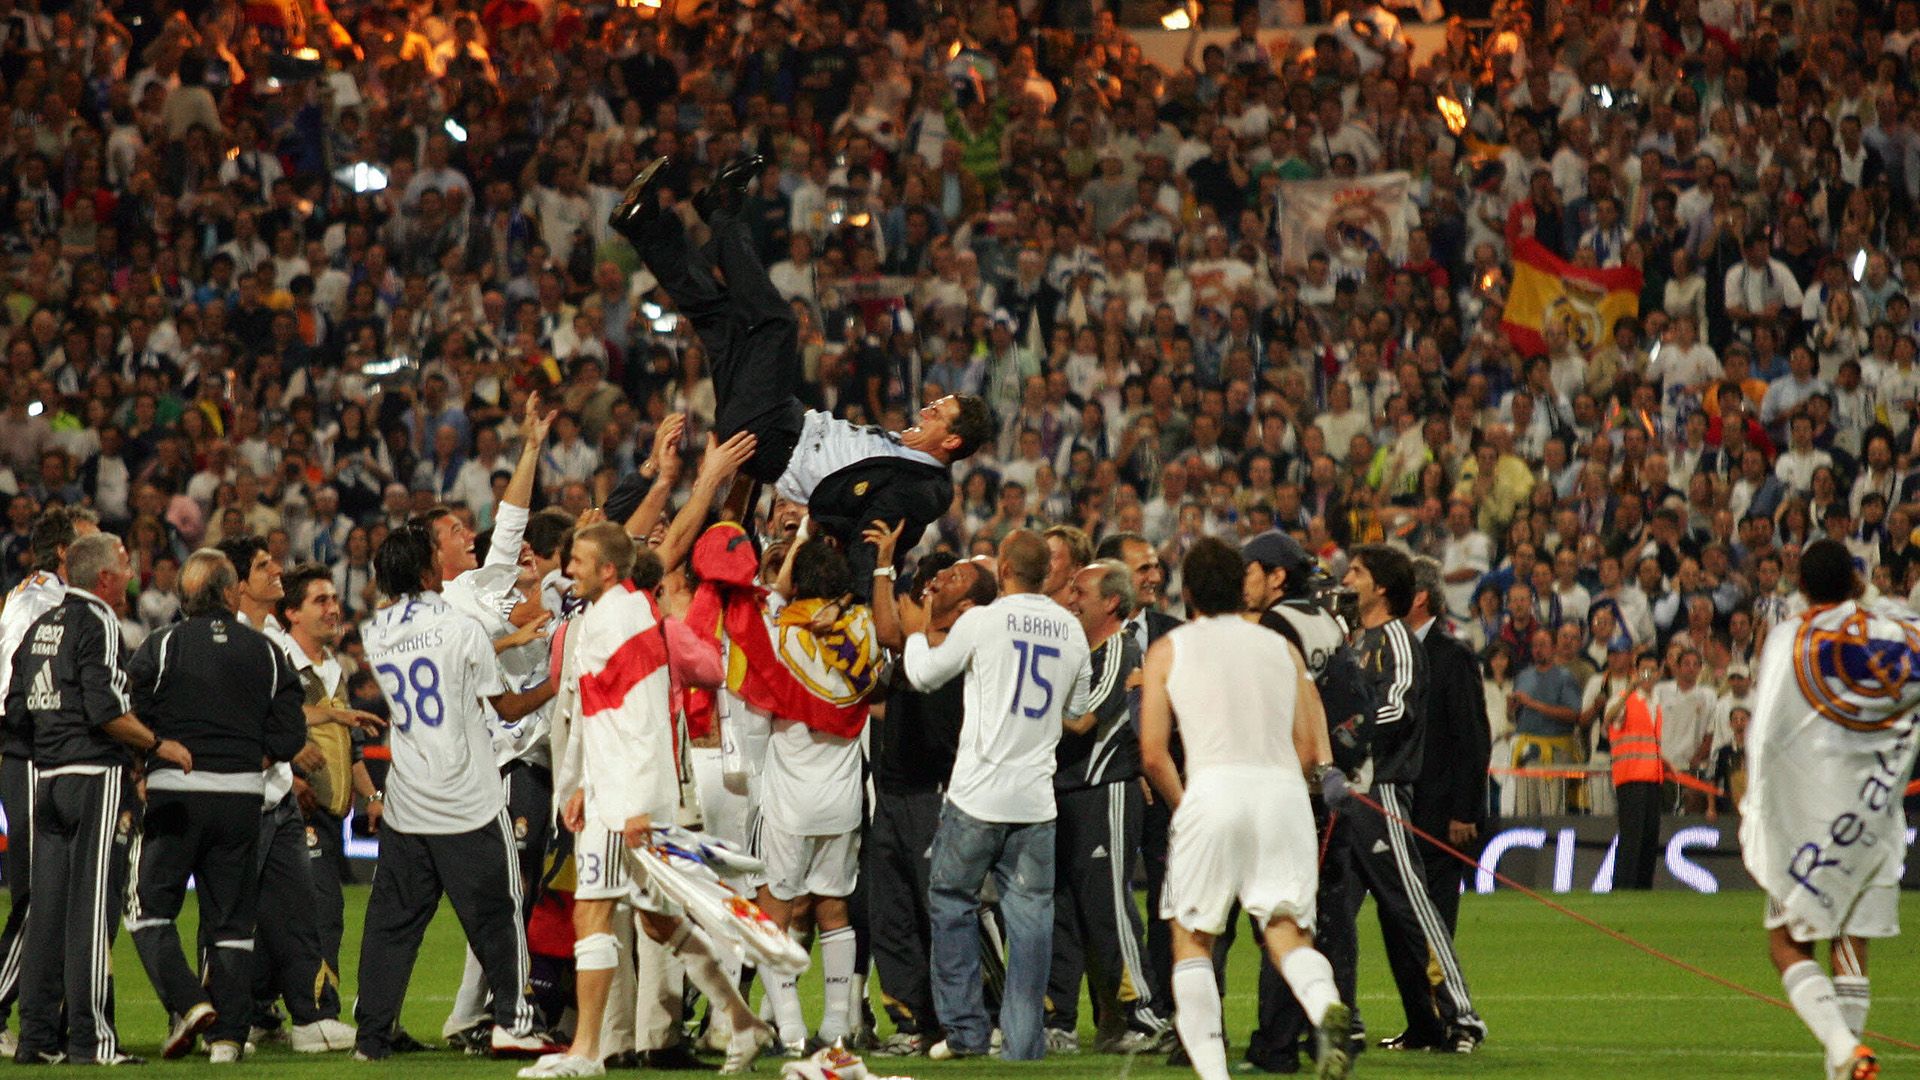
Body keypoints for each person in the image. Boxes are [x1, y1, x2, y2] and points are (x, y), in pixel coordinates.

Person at [606, 155, 994, 589]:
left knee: (779, 325)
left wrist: (863, 598)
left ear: (953, 440)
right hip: (782, 418)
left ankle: (722, 210)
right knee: (720, 321)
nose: (926, 410)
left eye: (938, 413)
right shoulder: (905, 452)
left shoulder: (923, 488)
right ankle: (644, 225)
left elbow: (876, 540)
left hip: (774, 438)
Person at [524, 521, 773, 1078]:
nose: (569, 570)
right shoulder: (602, 617)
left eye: (580, 562)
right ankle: (741, 1021)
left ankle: (586, 1052)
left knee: (592, 914)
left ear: (608, 570)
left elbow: (641, 721)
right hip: (615, 792)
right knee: (657, 922)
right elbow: (598, 715)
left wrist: (632, 803)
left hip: (629, 800)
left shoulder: (626, 619)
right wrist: (580, 784)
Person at [1140, 536, 1353, 1080]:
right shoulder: (1281, 649)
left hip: (1213, 789)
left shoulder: (1171, 648)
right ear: (1242, 587)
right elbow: (1310, 748)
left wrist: (1185, 805)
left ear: (1186, 591)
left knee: (1192, 937)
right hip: (1283, 797)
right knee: (1284, 929)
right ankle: (1324, 1001)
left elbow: (1153, 752)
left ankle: (1214, 1073)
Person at [352, 522, 559, 1061]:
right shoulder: (459, 627)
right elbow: (507, 707)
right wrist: (558, 680)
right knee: (499, 914)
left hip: (407, 800)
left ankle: (371, 1037)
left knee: (391, 924)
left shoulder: (378, 633)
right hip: (467, 798)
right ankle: (515, 1022)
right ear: (427, 571)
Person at [899, 529, 1094, 1060]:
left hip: (978, 795)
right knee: (1030, 919)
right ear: (1045, 573)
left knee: (951, 900)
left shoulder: (984, 621)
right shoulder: (1072, 632)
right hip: (1036, 801)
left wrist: (917, 630)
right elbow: (1076, 706)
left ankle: (965, 1033)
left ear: (1004, 568)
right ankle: (1024, 1044)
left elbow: (923, 675)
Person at [1740, 538, 1920, 1080]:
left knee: (1787, 943)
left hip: (1809, 820)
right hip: (1872, 817)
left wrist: (1757, 803)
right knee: (1851, 943)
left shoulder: (1790, 639)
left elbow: (1766, 733)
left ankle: (1843, 1049)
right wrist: (1869, 600)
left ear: (1799, 586)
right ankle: (1841, 1064)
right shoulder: (1894, 633)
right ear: (1856, 582)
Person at [6, 533, 189, 1065]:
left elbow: (16, 709)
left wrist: (48, 744)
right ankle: (91, 1040)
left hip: (47, 776)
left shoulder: (42, 625)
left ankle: (37, 1038)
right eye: (126, 565)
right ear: (104, 578)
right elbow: (105, 707)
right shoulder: (100, 622)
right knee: (89, 910)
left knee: (45, 912)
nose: (132, 574)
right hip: (92, 774)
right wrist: (158, 744)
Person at [124, 548, 308, 1062]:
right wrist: (252, 754)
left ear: (186, 597)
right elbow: (292, 734)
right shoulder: (267, 652)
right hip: (242, 799)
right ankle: (228, 1040)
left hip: (175, 796)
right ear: (231, 594)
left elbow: (131, 710)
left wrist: (147, 757)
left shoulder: (161, 646)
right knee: (232, 923)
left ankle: (188, 1002)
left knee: (146, 909)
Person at [1339, 543, 1485, 1053]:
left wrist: (1345, 733)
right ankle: (1348, 1019)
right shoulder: (1357, 642)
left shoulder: (1395, 639)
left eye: (1355, 572)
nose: (1346, 579)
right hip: (1348, 797)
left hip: (1380, 795)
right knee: (1332, 912)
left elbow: (1397, 707)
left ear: (1381, 586)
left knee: (1413, 909)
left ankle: (1461, 1017)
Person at [864, 551, 997, 1055]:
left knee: (943, 914)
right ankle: (911, 1023)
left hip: (936, 794)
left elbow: (892, 631)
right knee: (892, 913)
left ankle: (981, 1012)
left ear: (966, 606)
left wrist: (884, 578)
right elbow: (888, 635)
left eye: (954, 578)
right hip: (894, 794)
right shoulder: (914, 647)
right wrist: (881, 566)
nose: (938, 579)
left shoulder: (959, 651)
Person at [1045, 557, 1167, 1054]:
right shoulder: (1081, 649)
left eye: (1081, 592)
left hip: (1107, 789)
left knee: (1110, 906)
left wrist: (1022, 699)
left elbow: (1082, 719)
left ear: (1112, 602)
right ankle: (1062, 1020)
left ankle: (1144, 1015)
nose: (1070, 599)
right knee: (1065, 909)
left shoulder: (1120, 648)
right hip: (1068, 790)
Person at [0, 507, 94, 1052]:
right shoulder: (41, 601)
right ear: (64, 552)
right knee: (38, 895)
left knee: (49, 894)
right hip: (36, 753)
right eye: (89, 541)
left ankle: (51, 1015)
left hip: (40, 751)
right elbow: (18, 687)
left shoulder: (35, 596)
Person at [1405, 557, 1491, 934]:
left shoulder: (1452, 657)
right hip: (1399, 811)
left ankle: (1440, 991)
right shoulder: (1391, 653)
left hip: (1438, 817)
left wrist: (1464, 812)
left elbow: (1472, 737)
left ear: (1420, 597)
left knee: (1434, 924)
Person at [1604, 650, 1664, 890]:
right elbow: (1609, 718)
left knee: (1649, 838)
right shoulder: (1625, 699)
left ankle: (1642, 887)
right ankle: (1623, 886)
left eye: (1652, 670)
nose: (1647, 676)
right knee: (1632, 838)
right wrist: (1629, 689)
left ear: (1659, 673)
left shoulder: (1655, 704)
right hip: (1630, 777)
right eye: (1643, 671)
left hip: (1652, 777)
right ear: (1636, 673)